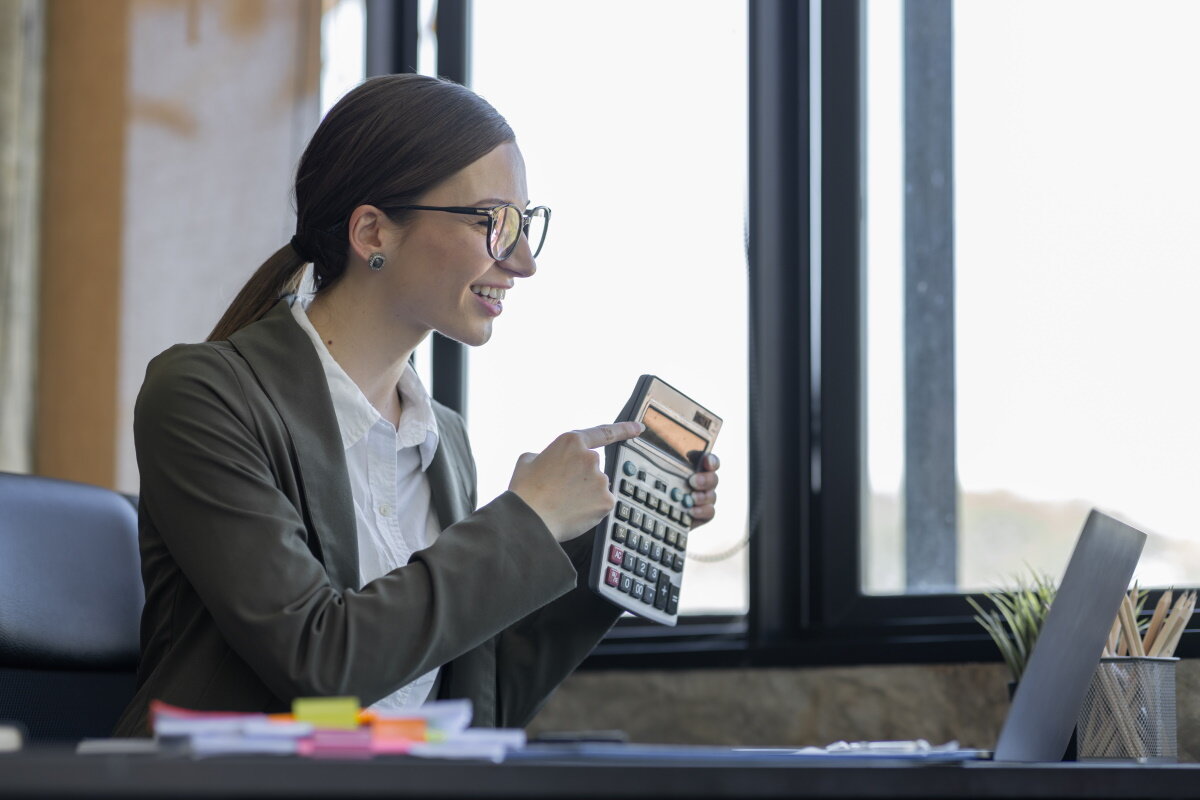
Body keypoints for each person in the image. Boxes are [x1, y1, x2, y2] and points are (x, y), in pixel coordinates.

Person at [113, 74, 720, 737]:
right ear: (374, 232)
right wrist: (528, 519)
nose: (522, 262)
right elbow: (322, 664)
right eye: (495, 222)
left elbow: (475, 704)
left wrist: (597, 544)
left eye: (526, 224)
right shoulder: (205, 397)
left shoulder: (444, 441)